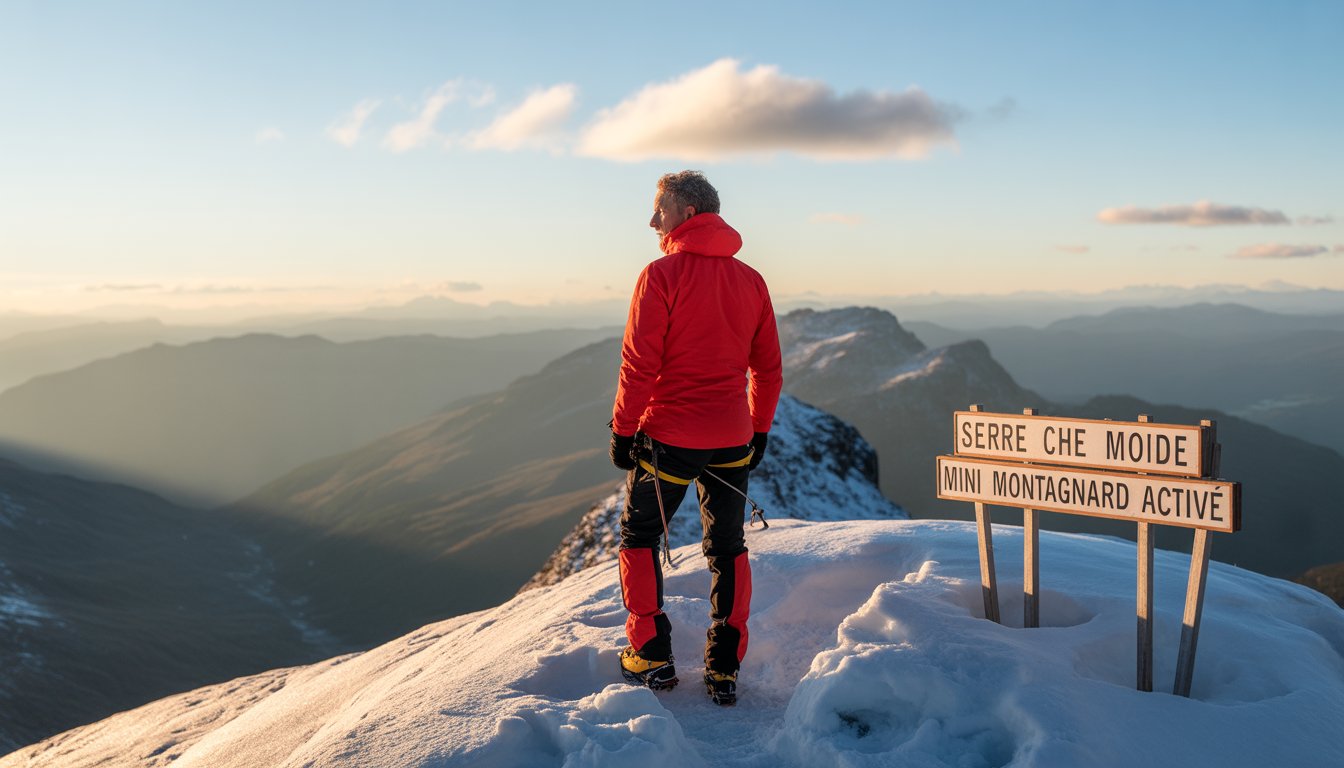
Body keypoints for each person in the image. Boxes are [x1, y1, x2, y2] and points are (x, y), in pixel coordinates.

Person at [608, 170, 782, 706]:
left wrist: (622, 429)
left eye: (659, 208)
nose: (652, 220)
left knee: (638, 538)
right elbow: (768, 370)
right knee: (728, 547)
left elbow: (640, 365)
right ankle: (725, 666)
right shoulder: (751, 279)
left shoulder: (660, 275)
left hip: (670, 439)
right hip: (731, 439)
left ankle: (650, 655)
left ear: (686, 211)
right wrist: (757, 430)